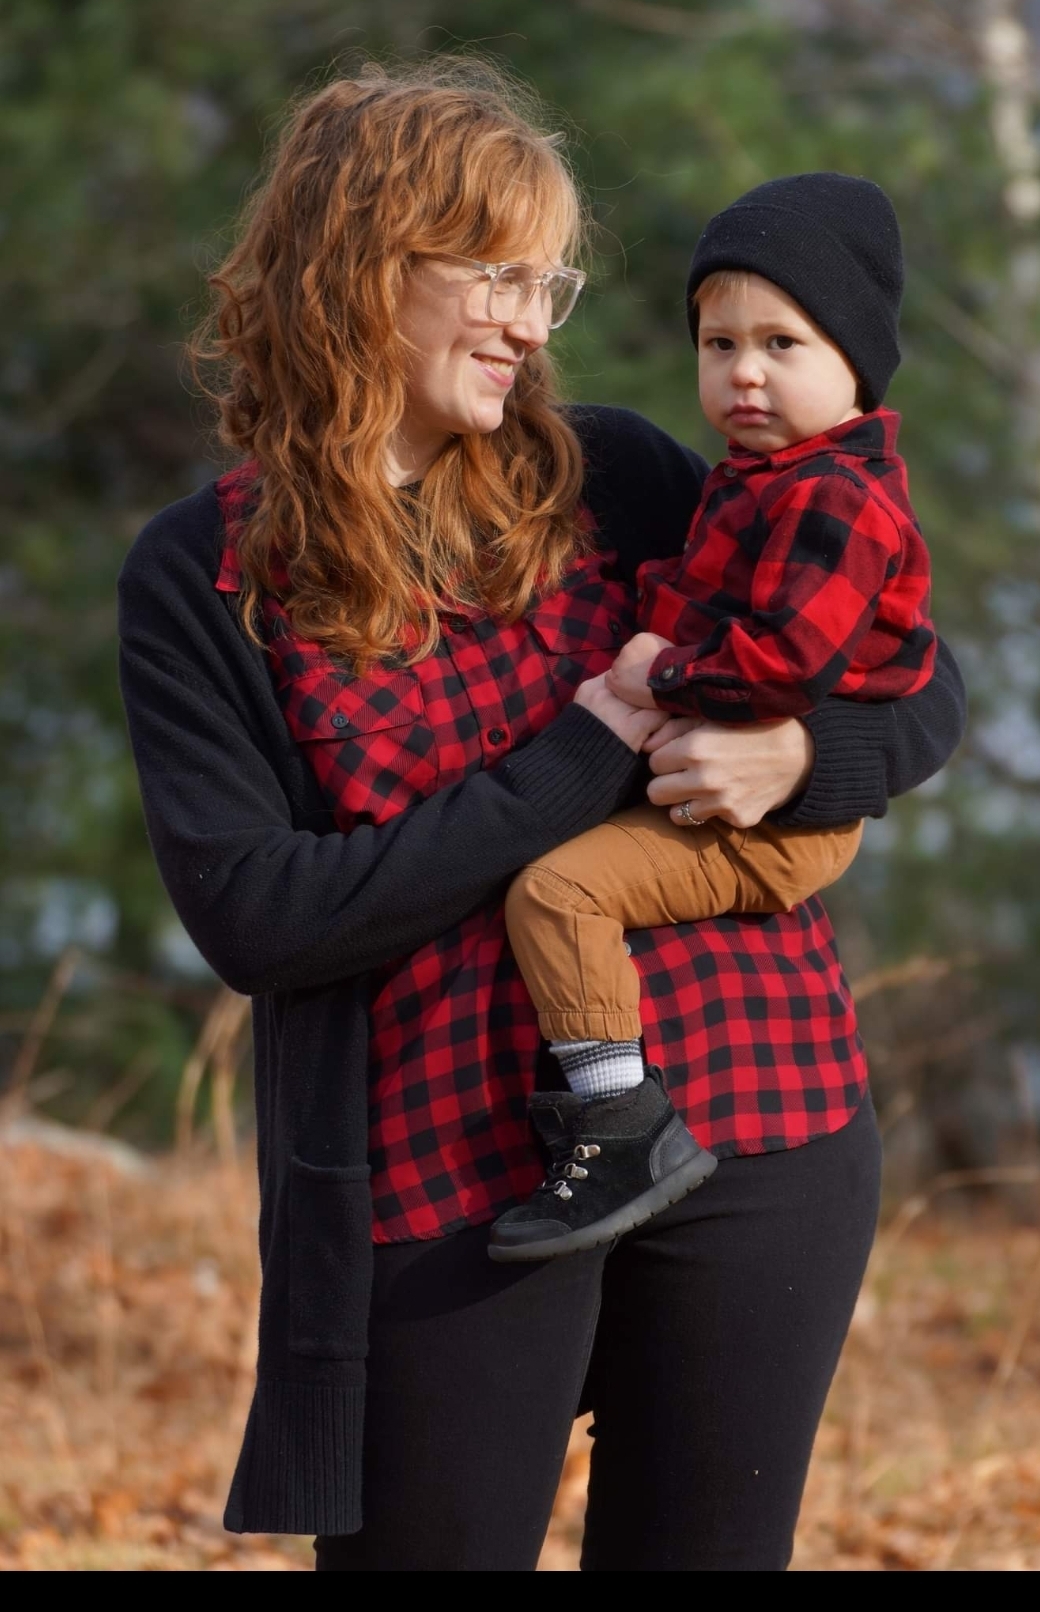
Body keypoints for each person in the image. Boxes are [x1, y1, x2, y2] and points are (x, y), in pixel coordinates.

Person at [117, 59, 966, 1572]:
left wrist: (798, 760)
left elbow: (918, 682)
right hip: (443, 1177)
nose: (528, 322)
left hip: (758, 1118)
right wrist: (579, 758)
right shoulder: (206, 578)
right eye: (494, 276)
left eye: (546, 284)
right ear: (361, 269)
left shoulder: (619, 474)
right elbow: (259, 916)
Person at [493, 173, 934, 1263]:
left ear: (854, 361)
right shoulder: (760, 479)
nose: (743, 372)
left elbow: (786, 661)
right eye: (718, 343)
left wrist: (664, 675)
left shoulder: (831, 498)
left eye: (782, 344)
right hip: (756, 792)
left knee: (558, 893)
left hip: (781, 823)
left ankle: (621, 1121)